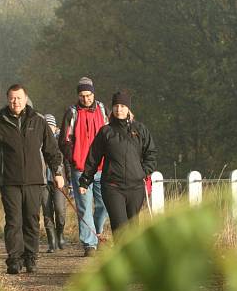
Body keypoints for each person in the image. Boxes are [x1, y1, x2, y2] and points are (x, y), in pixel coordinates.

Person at [0, 84, 64, 274]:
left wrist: (57, 172)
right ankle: (14, 258)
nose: (16, 102)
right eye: (12, 98)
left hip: (34, 181)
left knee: (31, 220)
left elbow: (52, 150)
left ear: (26, 99)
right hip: (10, 182)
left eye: (19, 98)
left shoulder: (38, 121)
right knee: (14, 221)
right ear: (8, 100)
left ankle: (31, 257)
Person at [78, 90, 157, 234]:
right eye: (116, 106)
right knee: (119, 226)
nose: (118, 109)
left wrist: (143, 172)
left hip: (136, 187)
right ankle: (121, 254)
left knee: (133, 227)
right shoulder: (105, 132)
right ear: (112, 108)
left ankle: (132, 256)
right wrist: (85, 180)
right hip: (112, 186)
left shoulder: (140, 130)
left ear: (128, 108)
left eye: (122, 106)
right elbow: (93, 157)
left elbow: (150, 154)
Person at [59, 76, 110, 257]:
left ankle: (95, 233)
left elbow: (109, 134)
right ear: (78, 95)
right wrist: (73, 158)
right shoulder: (72, 112)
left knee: (105, 204)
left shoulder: (103, 109)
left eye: (88, 95)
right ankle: (89, 244)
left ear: (93, 94)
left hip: (102, 166)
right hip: (80, 168)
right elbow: (64, 140)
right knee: (84, 207)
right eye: (82, 96)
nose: (86, 99)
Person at [41, 114, 67, 252]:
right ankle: (52, 241)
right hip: (42, 181)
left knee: (60, 210)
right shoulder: (38, 142)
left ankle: (60, 234)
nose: (48, 129)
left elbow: (67, 162)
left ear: (55, 127)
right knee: (47, 211)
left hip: (60, 181)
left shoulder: (61, 142)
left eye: (50, 125)